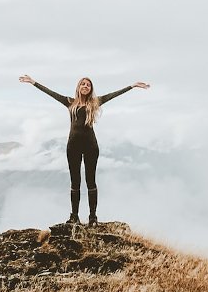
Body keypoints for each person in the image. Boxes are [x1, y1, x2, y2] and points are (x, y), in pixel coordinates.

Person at [19, 75, 150, 225]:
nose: (86, 86)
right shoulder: (70, 103)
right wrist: (33, 82)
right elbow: (51, 93)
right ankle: (74, 216)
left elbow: (114, 94)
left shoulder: (95, 102)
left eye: (88, 85)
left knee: (90, 181)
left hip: (91, 147)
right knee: (75, 182)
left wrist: (132, 86)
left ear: (91, 89)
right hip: (73, 147)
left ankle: (92, 217)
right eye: (83, 84)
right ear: (78, 87)